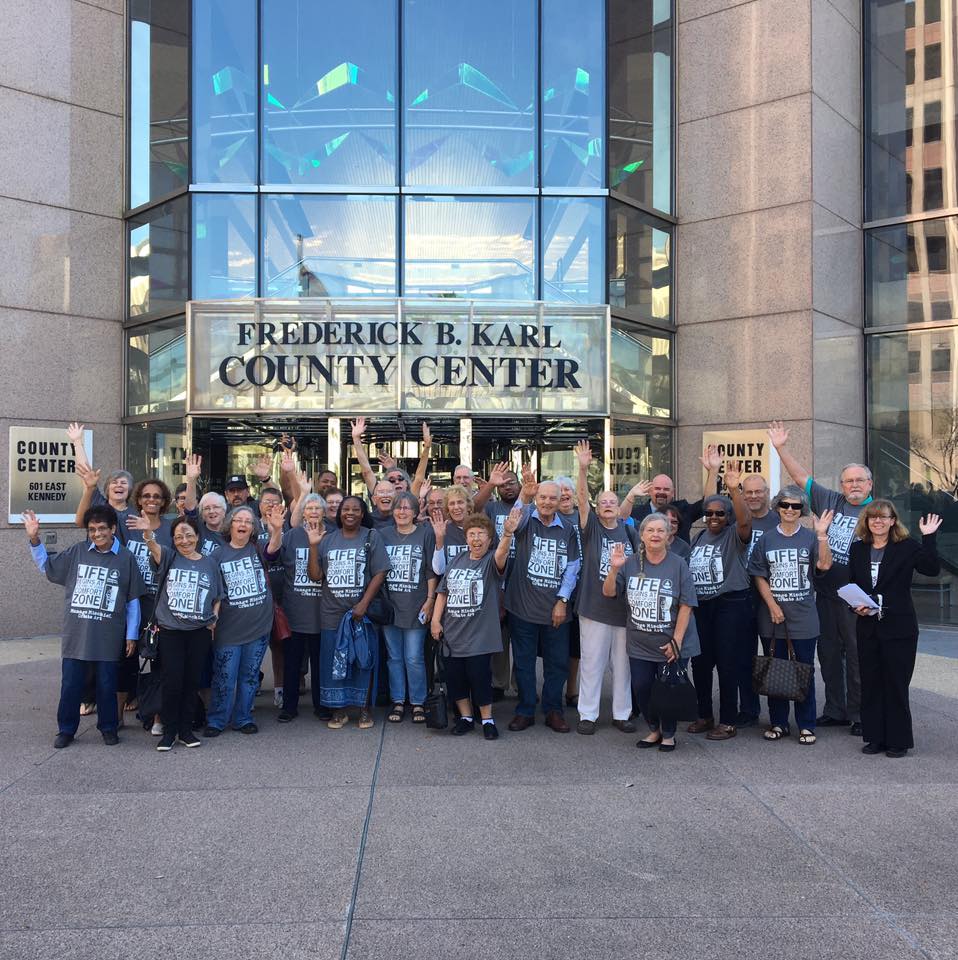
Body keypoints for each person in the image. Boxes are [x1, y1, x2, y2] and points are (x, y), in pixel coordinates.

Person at [768, 420, 873, 735]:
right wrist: (780, 448)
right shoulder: (832, 500)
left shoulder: (878, 512)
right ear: (841, 485)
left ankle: (859, 713)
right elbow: (801, 477)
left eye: (859, 480)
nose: (854, 485)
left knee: (856, 657)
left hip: (856, 600)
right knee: (827, 654)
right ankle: (835, 710)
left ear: (870, 484)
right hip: (826, 595)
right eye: (848, 481)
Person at [24, 506, 145, 748]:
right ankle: (66, 730)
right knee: (70, 686)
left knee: (107, 686)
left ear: (113, 529)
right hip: (77, 635)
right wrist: (34, 538)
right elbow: (47, 566)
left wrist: (131, 634)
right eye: (92, 529)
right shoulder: (77, 552)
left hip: (109, 635)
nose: (97, 534)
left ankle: (108, 728)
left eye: (102, 528)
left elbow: (132, 601)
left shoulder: (126, 558)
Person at [847, 502, 942, 758]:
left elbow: (931, 569)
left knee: (895, 684)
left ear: (892, 521)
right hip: (867, 627)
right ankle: (875, 737)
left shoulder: (906, 547)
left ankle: (898, 740)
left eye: (883, 517)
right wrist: (855, 606)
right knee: (871, 683)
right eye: (873, 517)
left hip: (899, 628)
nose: (877, 521)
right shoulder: (858, 549)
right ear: (867, 522)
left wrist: (929, 537)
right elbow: (852, 583)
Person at [604, 515, 699, 752]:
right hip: (639, 643)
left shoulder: (678, 564)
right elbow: (609, 592)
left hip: (671, 643)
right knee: (642, 687)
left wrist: (677, 641)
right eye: (650, 530)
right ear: (642, 535)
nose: (655, 535)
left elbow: (686, 604)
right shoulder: (630, 563)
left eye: (660, 531)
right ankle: (653, 729)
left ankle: (668, 734)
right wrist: (614, 569)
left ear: (668, 536)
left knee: (668, 689)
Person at [747, 486, 833, 745]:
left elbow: (824, 565)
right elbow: (758, 575)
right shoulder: (766, 539)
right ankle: (779, 722)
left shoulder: (810, 538)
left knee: (804, 670)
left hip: (804, 617)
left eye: (796, 506)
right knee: (776, 670)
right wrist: (772, 605)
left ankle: (806, 724)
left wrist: (822, 536)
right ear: (777, 507)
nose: (790, 510)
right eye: (785, 505)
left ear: (802, 509)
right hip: (772, 618)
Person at [501, 478, 581, 733]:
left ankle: (553, 710)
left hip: (555, 610)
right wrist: (524, 495)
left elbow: (572, 567)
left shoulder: (568, 529)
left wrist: (562, 600)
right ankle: (525, 709)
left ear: (560, 501)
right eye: (542, 497)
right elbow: (513, 520)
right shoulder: (527, 520)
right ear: (536, 499)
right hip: (522, 607)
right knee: (523, 662)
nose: (547, 502)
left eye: (552, 498)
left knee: (557, 663)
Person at [306, 495, 390, 729]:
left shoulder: (371, 536)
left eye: (355, 509)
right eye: (345, 509)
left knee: (363, 660)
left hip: (361, 613)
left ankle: (364, 709)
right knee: (334, 661)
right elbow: (315, 575)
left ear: (363, 514)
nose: (350, 513)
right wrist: (313, 546)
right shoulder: (327, 540)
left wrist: (364, 604)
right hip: (332, 613)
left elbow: (380, 572)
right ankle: (339, 710)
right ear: (339, 514)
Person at [572, 441, 638, 735]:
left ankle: (622, 714)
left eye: (613, 501)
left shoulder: (630, 531)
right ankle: (588, 714)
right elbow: (581, 499)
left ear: (619, 507)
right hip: (594, 609)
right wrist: (582, 469)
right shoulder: (592, 529)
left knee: (623, 666)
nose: (608, 505)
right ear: (597, 510)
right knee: (592, 663)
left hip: (624, 610)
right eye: (603, 503)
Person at [143, 515, 225, 751]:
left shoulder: (209, 563)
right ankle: (169, 732)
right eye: (178, 536)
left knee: (192, 681)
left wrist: (214, 620)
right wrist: (148, 534)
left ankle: (186, 730)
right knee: (172, 681)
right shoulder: (169, 557)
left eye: (189, 535)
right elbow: (154, 548)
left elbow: (218, 595)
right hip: (171, 632)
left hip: (199, 632)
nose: (184, 540)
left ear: (198, 536)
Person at [686, 462, 752, 741]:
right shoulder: (699, 537)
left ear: (728, 516)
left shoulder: (734, 535)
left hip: (730, 604)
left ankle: (728, 721)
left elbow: (745, 521)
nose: (713, 517)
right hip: (702, 607)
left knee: (727, 663)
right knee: (700, 663)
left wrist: (734, 489)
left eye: (720, 513)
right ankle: (704, 715)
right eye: (709, 513)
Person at [432, 513, 508, 738]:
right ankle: (465, 718)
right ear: (466, 538)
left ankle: (487, 720)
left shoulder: (491, 561)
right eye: (472, 534)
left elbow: (502, 554)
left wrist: (508, 533)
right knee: (456, 679)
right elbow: (442, 593)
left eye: (481, 534)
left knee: (480, 678)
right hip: (452, 635)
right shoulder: (457, 560)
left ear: (489, 539)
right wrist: (435, 621)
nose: (476, 539)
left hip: (480, 637)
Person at [204, 504, 277, 736]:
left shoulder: (258, 549)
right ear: (230, 525)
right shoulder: (217, 555)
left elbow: (273, 550)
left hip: (258, 627)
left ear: (253, 528)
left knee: (249, 677)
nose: (243, 524)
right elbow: (213, 591)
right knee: (225, 677)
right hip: (228, 629)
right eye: (239, 520)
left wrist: (277, 529)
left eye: (248, 521)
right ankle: (217, 720)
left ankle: (243, 717)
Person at [381, 492, 437, 724]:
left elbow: (430, 570)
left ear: (415, 512)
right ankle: (397, 700)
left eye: (407, 508)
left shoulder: (425, 534)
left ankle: (417, 701)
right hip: (390, 607)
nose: (402, 511)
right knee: (394, 657)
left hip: (417, 604)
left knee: (413, 657)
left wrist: (430, 600)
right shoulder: (382, 535)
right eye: (398, 507)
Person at [123, 478, 174, 733]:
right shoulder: (127, 524)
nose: (151, 500)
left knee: (159, 661)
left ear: (164, 502)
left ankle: (158, 717)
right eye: (146, 496)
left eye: (157, 496)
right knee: (126, 660)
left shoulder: (171, 528)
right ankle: (117, 717)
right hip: (132, 605)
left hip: (160, 606)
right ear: (139, 500)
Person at [271, 493, 326, 723]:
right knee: (292, 663)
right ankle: (289, 707)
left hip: (322, 612)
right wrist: (275, 531)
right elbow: (272, 558)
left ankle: (322, 705)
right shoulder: (292, 536)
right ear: (302, 513)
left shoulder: (331, 534)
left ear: (324, 512)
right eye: (309, 508)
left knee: (321, 663)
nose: (313, 512)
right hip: (294, 611)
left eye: (317, 508)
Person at [738, 471, 781, 727]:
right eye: (749, 492)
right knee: (744, 657)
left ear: (767, 493)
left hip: (770, 599)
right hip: (741, 597)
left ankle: (778, 715)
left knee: (773, 656)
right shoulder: (737, 519)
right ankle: (749, 709)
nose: (753, 496)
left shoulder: (778, 520)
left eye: (758, 491)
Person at [619, 473, 704, 543]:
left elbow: (706, 504)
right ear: (650, 491)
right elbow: (621, 519)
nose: (661, 492)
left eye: (666, 489)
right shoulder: (636, 513)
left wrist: (711, 471)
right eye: (657, 488)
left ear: (673, 493)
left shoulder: (683, 510)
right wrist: (631, 495)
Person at [430, 485, 475, 572]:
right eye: (452, 504)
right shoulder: (443, 530)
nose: (456, 507)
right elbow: (439, 570)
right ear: (447, 509)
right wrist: (439, 538)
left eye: (460, 502)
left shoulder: (481, 528)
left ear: (468, 506)